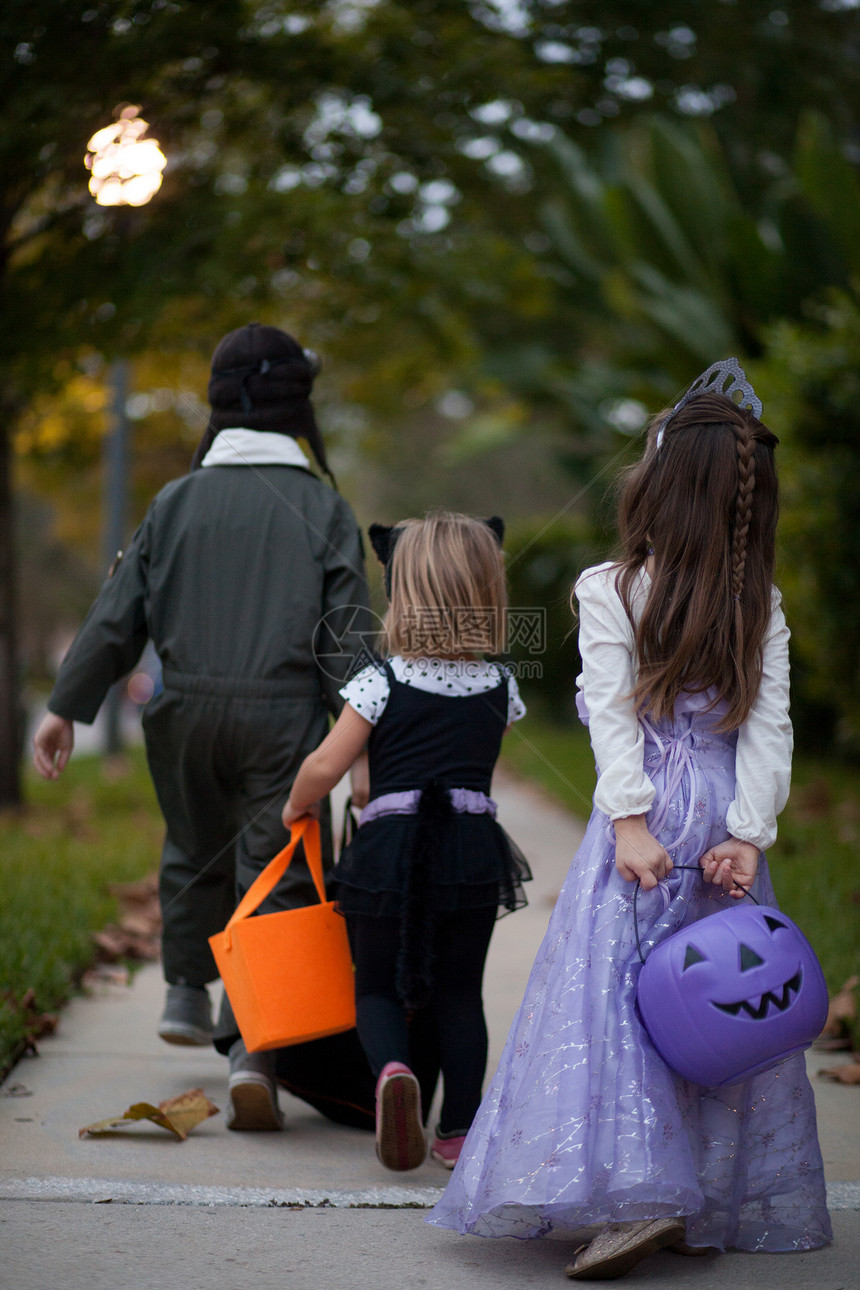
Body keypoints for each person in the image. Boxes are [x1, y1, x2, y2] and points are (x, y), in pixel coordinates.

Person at [427, 363, 832, 1278]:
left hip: (646, 819)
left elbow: (611, 716)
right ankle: (691, 1194)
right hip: (723, 816)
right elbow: (771, 728)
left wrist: (629, 821)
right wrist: (747, 832)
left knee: (622, 1000)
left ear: (657, 485)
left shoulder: (610, 585)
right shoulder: (756, 600)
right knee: (720, 999)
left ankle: (640, 1194)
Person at [32, 322, 373, 1130]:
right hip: (282, 718)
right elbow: (347, 638)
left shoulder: (175, 502)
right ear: (300, 406)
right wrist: (362, 743)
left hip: (181, 713)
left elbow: (120, 616)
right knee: (279, 870)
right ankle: (255, 1045)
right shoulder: (322, 507)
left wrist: (63, 706)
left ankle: (186, 987)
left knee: (192, 843)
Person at [281, 511, 531, 1171]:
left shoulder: (379, 680)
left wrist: (298, 802)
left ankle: (393, 1072)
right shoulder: (501, 684)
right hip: (471, 849)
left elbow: (328, 767)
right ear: (487, 593)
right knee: (458, 994)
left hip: (390, 850)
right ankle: (456, 1132)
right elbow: (472, 760)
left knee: (377, 989)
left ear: (402, 592)